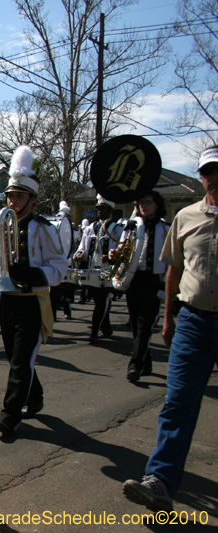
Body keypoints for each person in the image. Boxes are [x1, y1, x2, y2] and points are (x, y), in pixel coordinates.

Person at [122, 146, 218, 512]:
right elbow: (174, 271)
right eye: (207, 171)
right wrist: (169, 317)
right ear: (200, 175)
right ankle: (159, 482)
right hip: (193, 321)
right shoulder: (186, 217)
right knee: (177, 404)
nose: (213, 177)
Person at [0, 146, 68, 435]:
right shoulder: (2, 228)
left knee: (21, 359)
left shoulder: (44, 229)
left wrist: (33, 274)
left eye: (18, 196)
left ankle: (10, 414)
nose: (12, 200)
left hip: (33, 301)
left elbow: (59, 266)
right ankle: (34, 395)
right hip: (8, 299)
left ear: (32, 199)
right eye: (10, 195)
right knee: (16, 357)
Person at [110, 191, 169, 382]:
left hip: (155, 281)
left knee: (145, 324)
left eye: (148, 202)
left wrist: (166, 287)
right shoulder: (132, 227)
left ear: (157, 205)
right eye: (141, 202)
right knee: (136, 323)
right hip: (135, 280)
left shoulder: (166, 228)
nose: (144, 205)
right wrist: (114, 256)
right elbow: (123, 250)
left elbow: (172, 261)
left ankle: (134, 364)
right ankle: (146, 362)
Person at [73, 195, 123, 343]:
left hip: (108, 271)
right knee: (98, 301)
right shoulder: (90, 228)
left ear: (110, 210)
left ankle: (94, 332)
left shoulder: (118, 229)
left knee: (102, 301)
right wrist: (79, 254)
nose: (100, 212)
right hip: (92, 270)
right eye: (98, 209)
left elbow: (122, 248)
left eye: (103, 209)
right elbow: (83, 247)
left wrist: (112, 257)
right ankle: (106, 328)